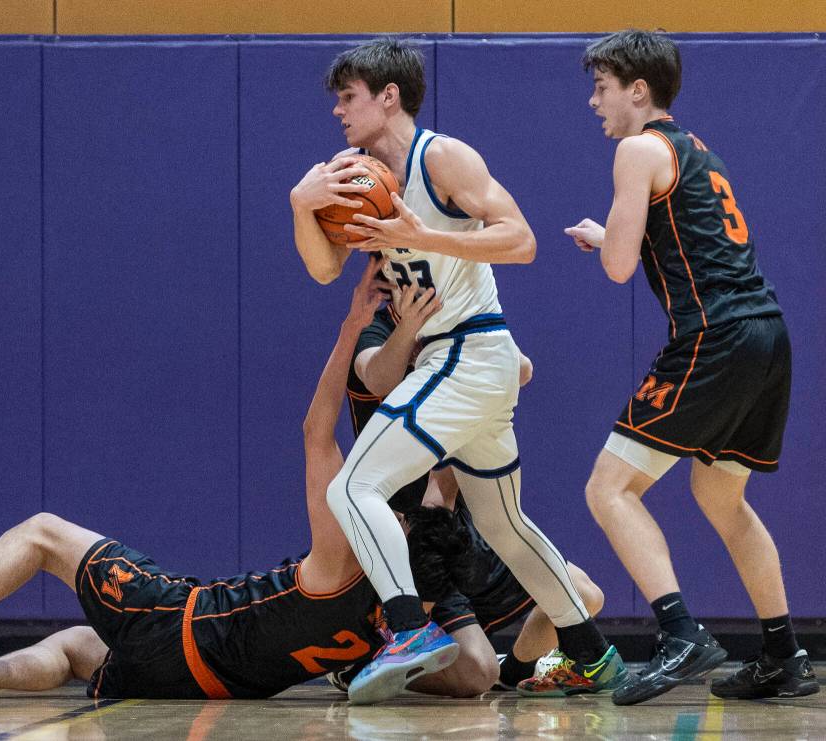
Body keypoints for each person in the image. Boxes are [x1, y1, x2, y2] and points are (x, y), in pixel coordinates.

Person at [0, 259, 493, 702]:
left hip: (176, 622)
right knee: (77, 649)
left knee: (45, 532)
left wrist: (352, 323)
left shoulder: (346, 551)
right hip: (200, 686)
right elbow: (473, 672)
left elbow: (317, 432)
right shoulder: (394, 628)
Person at [290, 37, 625, 703]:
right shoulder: (353, 173)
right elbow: (326, 269)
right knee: (505, 524)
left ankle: (409, 630)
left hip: (468, 349)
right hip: (467, 362)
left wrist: (420, 236)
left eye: (348, 96)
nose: (337, 110)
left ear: (390, 97)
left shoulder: (441, 156)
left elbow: (522, 240)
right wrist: (302, 205)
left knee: (353, 487)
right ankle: (592, 652)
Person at [566, 29, 819, 704]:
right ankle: (783, 652)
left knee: (608, 487)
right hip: (768, 333)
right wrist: (609, 232)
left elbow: (622, 264)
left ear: (637, 90)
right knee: (720, 496)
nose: (594, 101)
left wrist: (606, 240)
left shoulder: (636, 149)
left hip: (717, 335)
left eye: (602, 86)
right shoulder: (694, 148)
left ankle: (680, 631)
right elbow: (668, 232)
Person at [341, 284, 606, 693]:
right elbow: (375, 379)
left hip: (458, 525)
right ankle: (362, 661)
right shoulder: (377, 335)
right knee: (475, 674)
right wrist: (412, 329)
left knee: (585, 596)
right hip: (408, 533)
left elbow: (522, 368)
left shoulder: (461, 322)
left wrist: (481, 338)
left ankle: (517, 673)